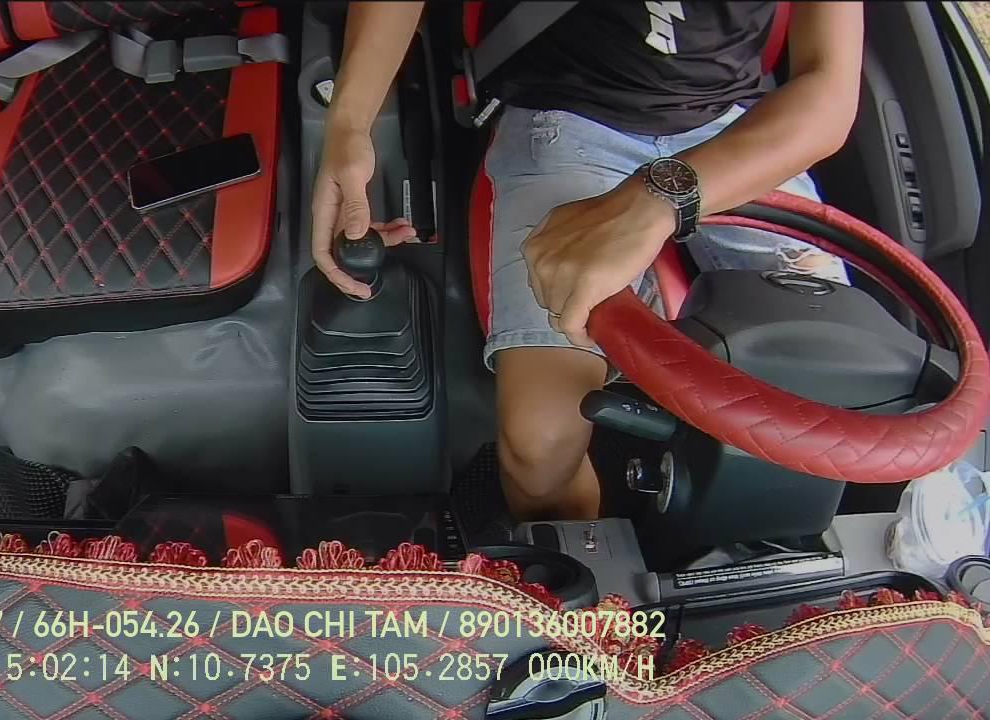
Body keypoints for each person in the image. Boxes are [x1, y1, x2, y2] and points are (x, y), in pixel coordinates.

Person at [311, 2, 863, 521]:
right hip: (565, 119)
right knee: (539, 448)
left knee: (837, 398)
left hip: (741, 131)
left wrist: (656, 200)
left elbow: (830, 91)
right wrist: (348, 127)